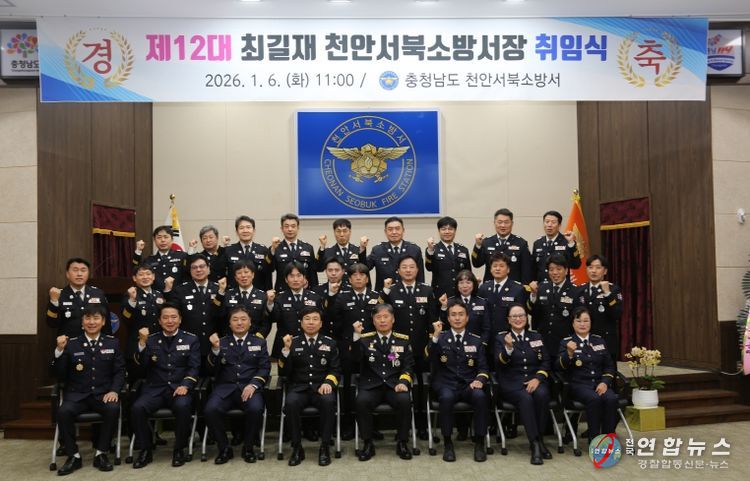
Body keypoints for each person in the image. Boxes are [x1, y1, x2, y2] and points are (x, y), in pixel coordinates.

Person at [51, 304, 125, 476]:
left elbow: (119, 371)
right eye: (88, 318)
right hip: (77, 395)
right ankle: (73, 455)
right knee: (63, 411)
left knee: (113, 408)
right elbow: (58, 374)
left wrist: (114, 390)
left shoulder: (112, 343)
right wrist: (59, 350)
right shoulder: (71, 344)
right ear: (82, 322)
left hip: (103, 394)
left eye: (96, 318)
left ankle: (101, 453)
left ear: (103, 321)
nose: (92, 322)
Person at [130, 303, 200, 469]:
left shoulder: (191, 339)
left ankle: (179, 449)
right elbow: (140, 368)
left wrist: (186, 385)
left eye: (173, 317)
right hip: (155, 389)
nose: (170, 321)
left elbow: (194, 367)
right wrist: (142, 343)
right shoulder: (151, 339)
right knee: (137, 408)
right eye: (165, 317)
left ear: (180, 320)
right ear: (160, 321)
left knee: (183, 406)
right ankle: (146, 449)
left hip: (179, 388)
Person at [205, 306, 270, 464]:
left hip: (249, 388)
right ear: (229, 324)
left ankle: (248, 448)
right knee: (210, 409)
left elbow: (264, 368)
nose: (239, 323)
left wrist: (253, 385)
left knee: (255, 409)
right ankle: (224, 448)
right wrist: (215, 350)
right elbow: (210, 369)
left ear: (250, 322)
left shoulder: (259, 342)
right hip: (225, 389)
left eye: (243, 319)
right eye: (235, 320)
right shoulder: (221, 342)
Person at [278, 307, 341, 467]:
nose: (311, 322)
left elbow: (335, 369)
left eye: (315, 319)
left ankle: (325, 446)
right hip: (299, 388)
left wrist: (328, 383)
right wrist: (286, 350)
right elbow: (283, 372)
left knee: (329, 402)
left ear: (321, 323)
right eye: (307, 319)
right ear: (301, 323)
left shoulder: (330, 343)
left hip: (321, 387)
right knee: (290, 403)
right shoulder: (292, 342)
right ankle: (297, 447)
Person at [429, 301, 490, 463]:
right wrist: (435, 336)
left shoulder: (476, 341)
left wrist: (479, 380)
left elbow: (483, 368)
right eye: (453, 315)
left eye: (461, 314)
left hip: (468, 384)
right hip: (446, 384)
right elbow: (429, 357)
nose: (457, 318)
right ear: (448, 318)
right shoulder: (440, 338)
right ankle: (448, 443)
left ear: (467, 318)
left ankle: (479, 443)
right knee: (446, 398)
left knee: (480, 396)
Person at [352, 304, 414, 461]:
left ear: (393, 319)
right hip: (371, 385)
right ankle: (368, 443)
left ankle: (402, 442)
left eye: (386, 317)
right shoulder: (365, 339)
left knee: (404, 400)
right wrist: (357, 336)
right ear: (373, 321)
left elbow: (408, 366)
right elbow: (355, 360)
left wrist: (403, 381)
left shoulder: (403, 340)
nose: (382, 320)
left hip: (395, 385)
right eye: (378, 317)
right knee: (361, 401)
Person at [330, 262, 383, 440]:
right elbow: (335, 324)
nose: (358, 278)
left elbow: (382, 322)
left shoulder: (376, 297)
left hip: (373, 350)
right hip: (348, 349)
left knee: (372, 386)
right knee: (349, 388)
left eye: (362, 275)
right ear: (350, 279)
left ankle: (372, 427)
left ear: (367, 279)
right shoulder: (341, 298)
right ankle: (348, 426)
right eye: (354, 275)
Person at [495, 304, 552, 465]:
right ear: (508, 320)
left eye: (521, 315)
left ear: (526, 318)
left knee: (542, 394)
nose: (518, 319)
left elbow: (546, 362)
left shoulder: (536, 336)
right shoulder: (501, 338)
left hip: (534, 380)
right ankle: (534, 444)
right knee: (525, 398)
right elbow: (499, 362)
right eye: (514, 316)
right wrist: (508, 349)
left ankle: (540, 438)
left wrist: (538, 378)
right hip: (512, 384)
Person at [557, 306, 618, 445]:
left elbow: (609, 366)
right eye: (578, 321)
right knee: (594, 399)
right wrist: (569, 354)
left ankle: (609, 441)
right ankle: (595, 442)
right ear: (573, 323)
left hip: (599, 383)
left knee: (611, 399)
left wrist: (605, 382)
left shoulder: (599, 341)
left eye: (586, 321)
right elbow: (559, 367)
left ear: (591, 323)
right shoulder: (566, 342)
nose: (582, 324)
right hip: (578, 385)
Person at [164, 254, 221, 366]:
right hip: (188, 345)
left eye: (202, 266)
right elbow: (172, 312)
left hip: (213, 343)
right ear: (190, 271)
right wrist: (168, 292)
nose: (198, 270)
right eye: (194, 267)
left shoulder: (219, 289)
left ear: (208, 269)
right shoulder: (181, 290)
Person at [268, 261, 324, 359]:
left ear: (304, 278)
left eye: (299, 275)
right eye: (291, 276)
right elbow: (274, 318)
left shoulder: (315, 297)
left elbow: (320, 321)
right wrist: (270, 303)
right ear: (286, 279)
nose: (295, 279)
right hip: (285, 343)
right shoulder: (279, 298)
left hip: (309, 344)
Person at [47, 257, 111, 339]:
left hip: (94, 344)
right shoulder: (59, 295)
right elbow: (52, 323)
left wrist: (109, 342)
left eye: (83, 270)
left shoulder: (98, 293)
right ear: (67, 274)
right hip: (69, 344)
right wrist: (54, 302)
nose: (79, 274)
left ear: (88, 274)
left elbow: (106, 323)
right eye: (75, 270)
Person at [121, 264, 165, 377]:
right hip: (138, 345)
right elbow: (126, 318)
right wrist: (132, 300)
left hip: (158, 344)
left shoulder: (158, 294)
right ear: (134, 278)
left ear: (153, 276)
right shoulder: (130, 294)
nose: (145, 277)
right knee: (138, 379)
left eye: (148, 274)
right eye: (141, 274)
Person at [577, 255, 623, 362]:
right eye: (590, 267)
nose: (593, 271)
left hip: (606, 341)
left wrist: (607, 294)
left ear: (605, 271)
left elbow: (617, 314)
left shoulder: (613, 289)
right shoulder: (580, 290)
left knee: (608, 370)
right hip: (584, 340)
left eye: (598, 267)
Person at [531, 254, 579, 354]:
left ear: (566, 271)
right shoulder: (541, 288)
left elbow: (577, 319)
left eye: (559, 269)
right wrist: (533, 295)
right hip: (543, 342)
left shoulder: (575, 291)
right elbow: (534, 313)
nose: (555, 273)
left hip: (565, 344)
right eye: (551, 269)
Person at [472, 208, 532, 285]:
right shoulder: (487, 242)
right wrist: (478, 245)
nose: (503, 225)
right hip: (491, 287)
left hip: (513, 288)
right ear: (494, 223)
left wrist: (524, 289)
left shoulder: (521, 243)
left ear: (512, 223)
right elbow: (476, 264)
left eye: (506, 222)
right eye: (499, 222)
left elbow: (527, 271)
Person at [213, 261, 272, 339]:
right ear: (235, 277)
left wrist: (258, 338)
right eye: (239, 273)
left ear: (253, 275)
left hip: (254, 340)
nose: (243, 275)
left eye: (246, 272)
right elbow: (219, 315)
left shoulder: (262, 296)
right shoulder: (228, 294)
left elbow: (266, 323)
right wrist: (221, 291)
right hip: (231, 340)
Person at [477, 253, 527, 342]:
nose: (497, 269)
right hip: (487, 339)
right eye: (494, 266)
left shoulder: (518, 289)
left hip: (507, 338)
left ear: (508, 269)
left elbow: (521, 317)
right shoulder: (483, 288)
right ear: (490, 269)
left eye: (501, 266)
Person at [366, 216, 424, 291]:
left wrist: (420, 293)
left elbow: (420, 276)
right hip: (384, 294)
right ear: (385, 232)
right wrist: (362, 250)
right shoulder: (378, 250)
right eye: (390, 229)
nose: (394, 232)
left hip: (409, 293)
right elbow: (364, 267)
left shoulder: (414, 249)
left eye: (397, 229)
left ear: (403, 230)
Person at [438, 270, 491, 346]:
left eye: (468, 282)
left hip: (475, 345)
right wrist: (444, 306)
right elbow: (444, 325)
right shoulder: (449, 302)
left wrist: (481, 344)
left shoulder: (482, 302)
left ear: (474, 284)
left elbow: (486, 328)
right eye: (461, 283)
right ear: (457, 285)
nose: (465, 286)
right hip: (453, 344)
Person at [529, 210, 581, 285]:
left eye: (553, 222)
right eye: (547, 222)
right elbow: (533, 268)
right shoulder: (538, 243)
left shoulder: (567, 241)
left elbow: (576, 265)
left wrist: (571, 244)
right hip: (542, 287)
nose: (549, 225)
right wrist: (532, 282)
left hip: (561, 287)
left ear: (559, 225)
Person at [425, 216, 471, 299]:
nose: (447, 232)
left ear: (455, 231)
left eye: (450, 229)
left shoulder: (463, 249)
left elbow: (468, 272)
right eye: (443, 229)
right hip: (440, 295)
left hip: (460, 293)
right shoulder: (433, 249)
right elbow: (429, 267)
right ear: (439, 231)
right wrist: (430, 250)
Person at [132, 226, 188, 292]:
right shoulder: (149, 259)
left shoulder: (182, 256)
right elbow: (136, 269)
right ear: (154, 240)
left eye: (166, 237)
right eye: (159, 237)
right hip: (156, 296)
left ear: (172, 239)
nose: (163, 240)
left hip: (178, 295)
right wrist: (138, 250)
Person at [224, 216, 273, 291]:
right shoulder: (229, 250)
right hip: (234, 294)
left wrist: (268, 291)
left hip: (258, 294)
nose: (245, 231)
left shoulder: (263, 250)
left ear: (254, 231)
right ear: (236, 232)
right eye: (241, 228)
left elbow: (268, 273)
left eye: (248, 227)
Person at [270, 213, 317, 291]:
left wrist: (314, 292)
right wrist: (272, 250)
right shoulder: (276, 248)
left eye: (293, 226)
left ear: (298, 228)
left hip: (304, 291)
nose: (290, 229)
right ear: (281, 229)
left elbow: (313, 274)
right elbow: (269, 269)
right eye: (286, 226)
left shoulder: (308, 248)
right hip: (283, 292)